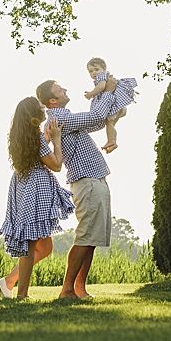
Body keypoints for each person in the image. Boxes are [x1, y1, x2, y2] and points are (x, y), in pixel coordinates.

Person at [36, 79, 128, 299]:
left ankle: (79, 289)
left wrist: (107, 102)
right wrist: (108, 90)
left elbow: (95, 123)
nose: (66, 88)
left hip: (94, 179)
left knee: (91, 240)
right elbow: (96, 118)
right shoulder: (59, 117)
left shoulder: (66, 117)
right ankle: (67, 290)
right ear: (52, 100)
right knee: (85, 237)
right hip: (86, 182)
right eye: (60, 88)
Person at [0, 97, 74, 300]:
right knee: (29, 246)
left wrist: (46, 139)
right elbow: (56, 165)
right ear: (33, 114)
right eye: (41, 107)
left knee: (45, 247)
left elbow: (36, 154)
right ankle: (22, 295)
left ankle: (8, 282)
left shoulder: (22, 137)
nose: (45, 109)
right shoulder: (36, 138)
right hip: (35, 188)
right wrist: (56, 138)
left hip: (22, 186)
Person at [82, 56, 138, 153]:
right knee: (110, 124)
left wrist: (91, 93)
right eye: (91, 71)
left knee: (109, 124)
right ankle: (113, 141)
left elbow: (102, 86)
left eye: (96, 69)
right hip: (119, 106)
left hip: (113, 105)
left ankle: (111, 141)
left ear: (104, 69)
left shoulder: (102, 76)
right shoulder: (104, 76)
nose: (94, 73)